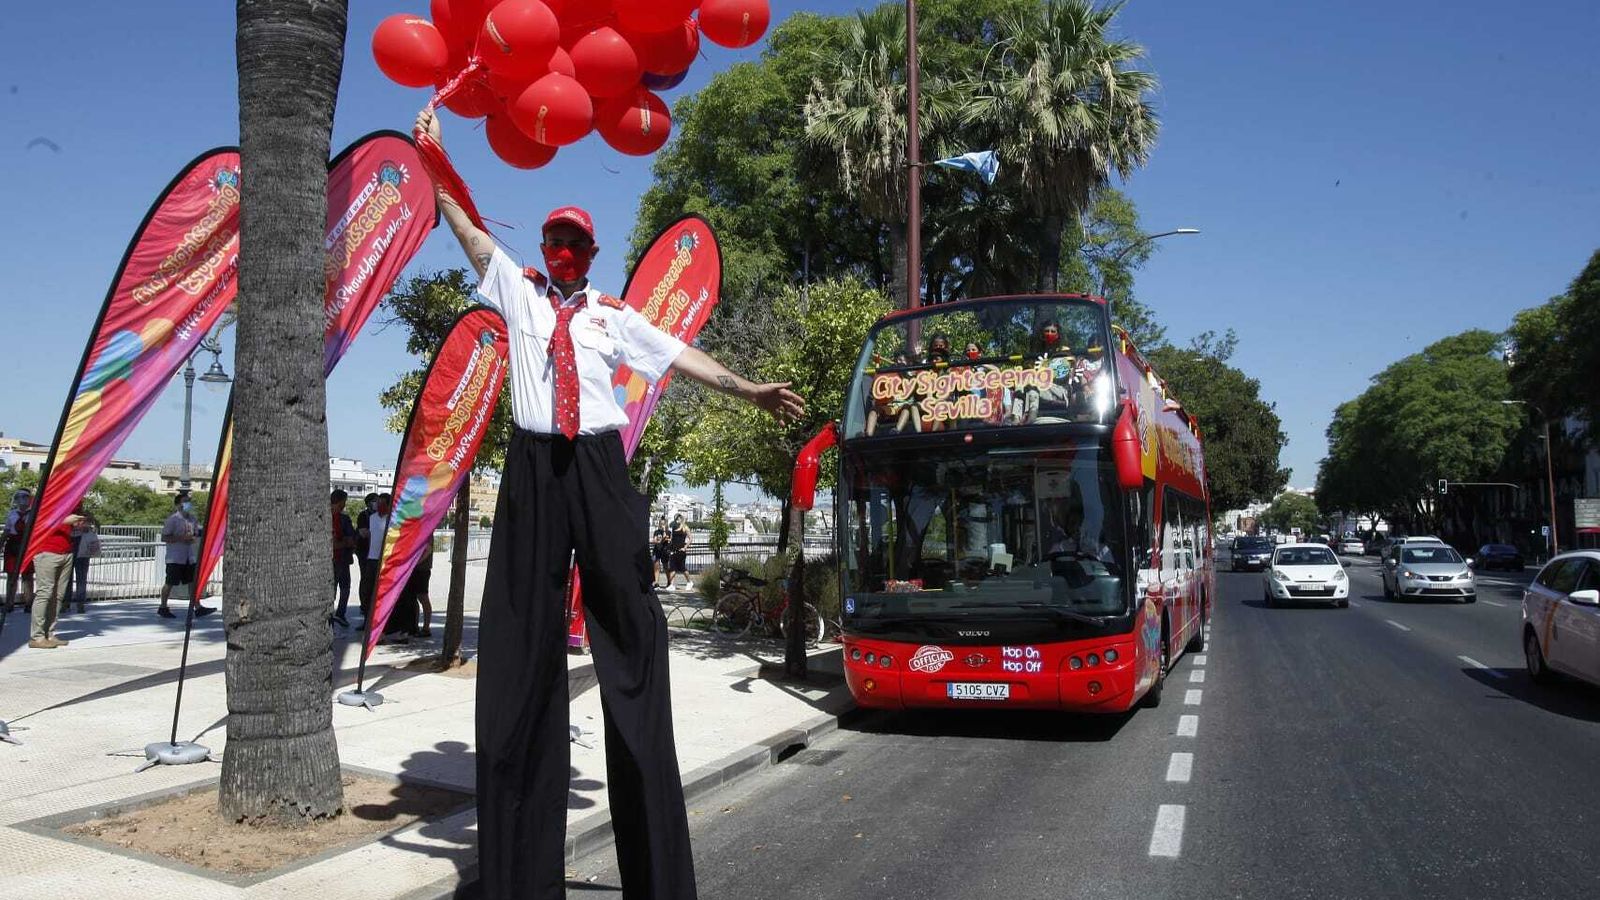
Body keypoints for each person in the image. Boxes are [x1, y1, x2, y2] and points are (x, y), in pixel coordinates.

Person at [418, 105, 804, 900]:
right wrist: (434, 155)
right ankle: (521, 882)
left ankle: (658, 881)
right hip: (532, 469)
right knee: (520, 663)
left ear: (591, 254)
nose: (560, 251)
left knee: (631, 649)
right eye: (553, 240)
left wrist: (749, 391)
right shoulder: (515, 293)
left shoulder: (612, 316)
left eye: (574, 243)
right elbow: (461, 224)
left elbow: (678, 356)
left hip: (597, 469)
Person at [29, 509, 82, 648]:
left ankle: (49, 633)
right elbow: (37, 520)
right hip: (46, 551)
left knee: (58, 595)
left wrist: (79, 523)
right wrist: (64, 520)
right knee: (44, 593)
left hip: (66, 551)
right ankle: (37, 636)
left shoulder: (73, 499)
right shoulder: (45, 497)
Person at [158, 494, 212, 619]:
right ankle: (163, 607)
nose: (188, 504)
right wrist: (181, 538)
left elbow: (195, 533)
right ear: (178, 504)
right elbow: (164, 537)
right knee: (170, 582)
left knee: (192, 582)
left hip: (189, 556)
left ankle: (197, 607)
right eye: (185, 501)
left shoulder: (192, 519)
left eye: (189, 501)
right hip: (175, 557)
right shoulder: (173, 520)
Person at [358, 493, 391, 621]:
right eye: (378, 503)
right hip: (371, 559)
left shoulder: (392, 519)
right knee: (368, 591)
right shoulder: (372, 518)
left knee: (382, 592)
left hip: (385, 560)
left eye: (382, 503)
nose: (379, 505)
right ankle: (367, 620)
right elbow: (370, 536)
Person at [330, 489, 357, 628]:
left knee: (345, 588)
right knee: (333, 590)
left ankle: (340, 614)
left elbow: (351, 539)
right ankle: (331, 616)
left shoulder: (344, 518)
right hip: (332, 561)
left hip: (343, 560)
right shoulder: (326, 518)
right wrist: (342, 543)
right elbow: (336, 543)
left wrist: (341, 543)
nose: (344, 504)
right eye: (344, 502)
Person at [4, 489, 35, 613]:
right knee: (11, 576)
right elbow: (7, 531)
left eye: (25, 497)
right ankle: (9, 603)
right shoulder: (12, 514)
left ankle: (28, 603)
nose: (22, 500)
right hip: (12, 546)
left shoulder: (34, 514)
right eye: (19, 497)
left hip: (27, 545)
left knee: (27, 577)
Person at [68, 510, 101, 615]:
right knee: (77, 579)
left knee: (76, 579)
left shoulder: (72, 516)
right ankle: (75, 603)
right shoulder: (82, 518)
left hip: (78, 551)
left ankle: (73, 603)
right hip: (77, 552)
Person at [667, 514, 690, 590]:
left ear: (681, 519)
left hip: (681, 551)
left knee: (682, 568)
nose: (677, 520)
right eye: (676, 519)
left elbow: (690, 538)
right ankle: (672, 585)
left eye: (678, 519)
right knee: (672, 567)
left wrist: (685, 547)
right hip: (673, 550)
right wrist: (670, 542)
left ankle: (689, 582)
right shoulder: (674, 527)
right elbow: (672, 538)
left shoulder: (685, 527)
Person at [651, 517, 671, 587]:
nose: (662, 525)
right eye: (661, 524)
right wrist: (660, 540)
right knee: (656, 567)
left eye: (664, 524)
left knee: (666, 567)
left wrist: (664, 535)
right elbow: (654, 540)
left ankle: (669, 581)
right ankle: (656, 582)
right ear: (659, 524)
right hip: (657, 550)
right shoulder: (656, 532)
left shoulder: (668, 532)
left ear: (666, 524)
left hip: (664, 551)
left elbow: (666, 540)